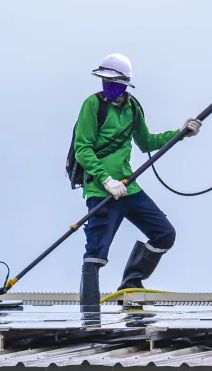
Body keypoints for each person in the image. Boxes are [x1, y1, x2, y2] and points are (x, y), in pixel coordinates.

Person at [73, 53, 202, 311]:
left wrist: (180, 134)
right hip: (102, 190)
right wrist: (106, 180)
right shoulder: (93, 105)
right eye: (104, 82)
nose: (108, 88)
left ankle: (131, 282)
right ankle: (89, 319)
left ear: (124, 84)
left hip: (128, 187)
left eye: (113, 83)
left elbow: (146, 142)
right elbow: (82, 149)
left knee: (164, 233)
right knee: (96, 253)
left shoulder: (132, 108)